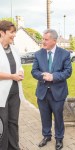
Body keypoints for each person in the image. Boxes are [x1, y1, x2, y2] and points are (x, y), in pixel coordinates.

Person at [31, 29, 72, 150]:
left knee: (58, 116)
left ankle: (59, 139)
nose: (43, 41)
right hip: (42, 92)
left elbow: (68, 72)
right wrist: (43, 76)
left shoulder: (64, 54)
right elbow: (34, 71)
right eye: (43, 39)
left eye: (46, 39)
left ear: (54, 40)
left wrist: (53, 76)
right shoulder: (38, 54)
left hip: (58, 92)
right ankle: (46, 136)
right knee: (44, 116)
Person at [0, 20, 24, 150]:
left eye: (14, 32)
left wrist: (20, 72)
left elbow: (19, 66)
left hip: (15, 92)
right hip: (1, 94)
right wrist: (11, 76)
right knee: (2, 124)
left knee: (13, 123)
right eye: (11, 32)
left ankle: (14, 147)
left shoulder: (14, 49)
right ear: (2, 33)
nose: (14, 35)